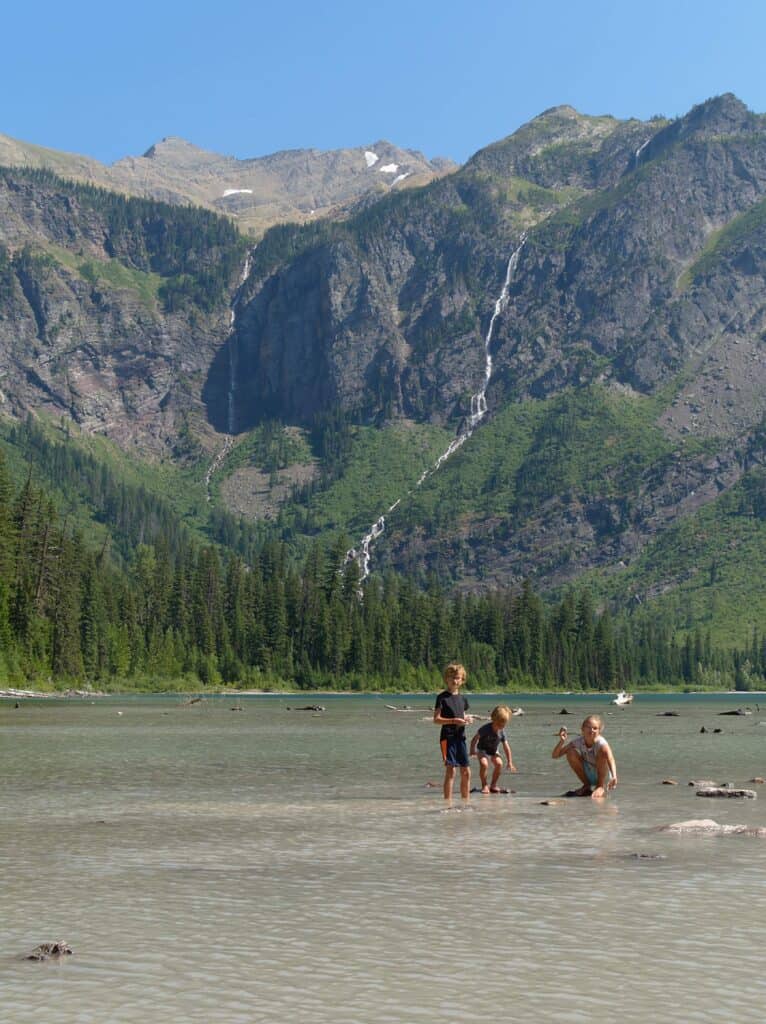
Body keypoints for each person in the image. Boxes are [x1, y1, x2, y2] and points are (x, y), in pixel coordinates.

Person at [551, 714, 617, 799]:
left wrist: (614, 776)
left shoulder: (601, 743)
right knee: (570, 752)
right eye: (588, 727)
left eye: (595, 728)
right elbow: (555, 755)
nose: (591, 730)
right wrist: (562, 741)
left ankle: (600, 786)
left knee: (602, 751)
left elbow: (611, 759)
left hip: (601, 775)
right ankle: (587, 785)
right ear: (582, 729)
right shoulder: (579, 741)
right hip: (588, 773)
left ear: (599, 731)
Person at [434, 663, 473, 801]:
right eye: (452, 677)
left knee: (466, 771)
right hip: (447, 738)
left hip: (461, 737)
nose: (454, 680)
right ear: (446, 679)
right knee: (451, 770)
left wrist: (466, 719)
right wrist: (453, 721)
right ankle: (447, 804)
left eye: (457, 678)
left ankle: (466, 802)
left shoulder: (463, 699)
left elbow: (462, 715)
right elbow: (436, 720)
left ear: (462, 680)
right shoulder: (442, 698)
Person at [470, 705, 517, 793]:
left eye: (503, 725)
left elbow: (506, 746)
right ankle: (484, 785)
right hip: (482, 749)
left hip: (493, 750)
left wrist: (510, 762)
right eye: (498, 724)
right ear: (493, 719)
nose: (500, 727)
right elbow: (475, 739)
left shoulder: (501, 732)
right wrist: (472, 750)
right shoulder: (485, 728)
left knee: (499, 764)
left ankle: (493, 785)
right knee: (484, 764)